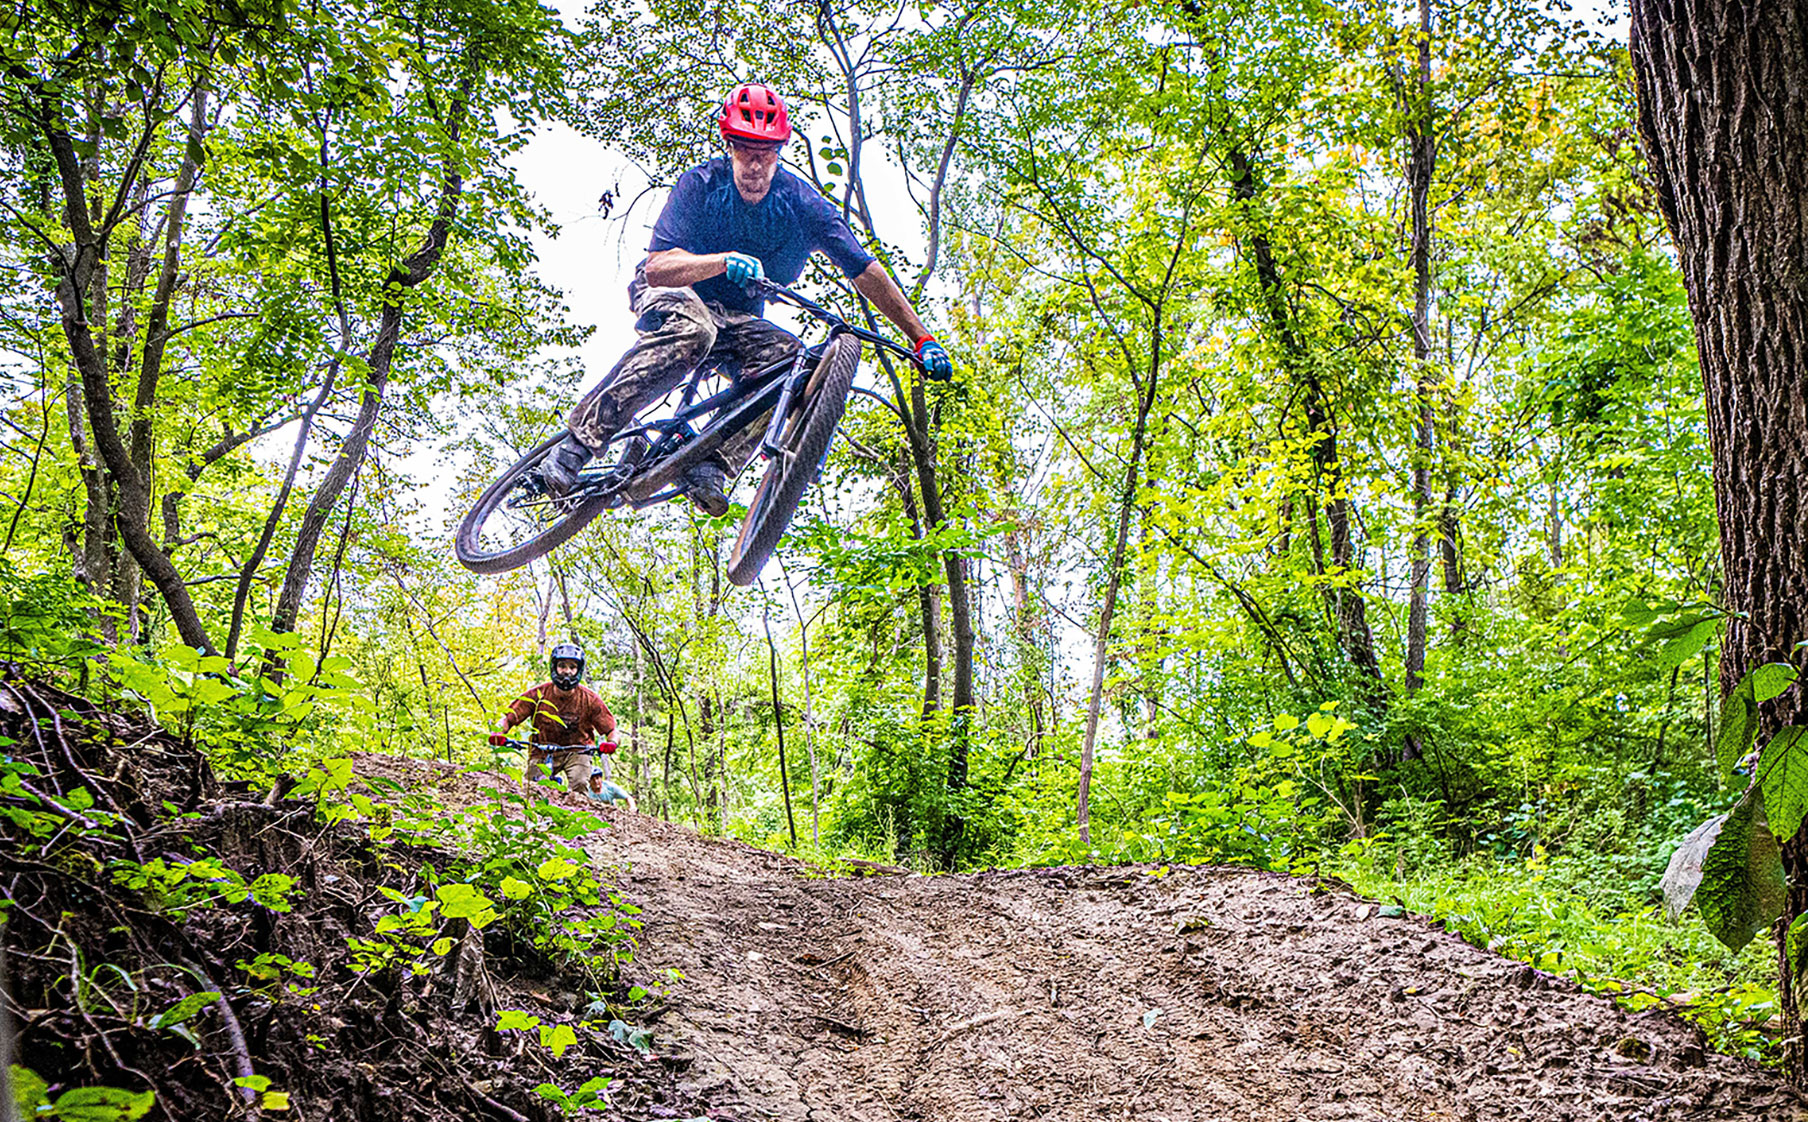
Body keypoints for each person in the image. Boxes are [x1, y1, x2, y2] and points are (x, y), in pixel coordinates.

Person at [541, 82, 955, 508]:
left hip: (735, 317)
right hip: (675, 292)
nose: (755, 166)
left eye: (766, 154)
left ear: (779, 152)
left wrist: (921, 337)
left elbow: (864, 270)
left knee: (790, 362)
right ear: (730, 147)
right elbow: (658, 267)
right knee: (695, 329)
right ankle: (578, 443)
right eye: (745, 152)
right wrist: (721, 261)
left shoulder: (801, 204)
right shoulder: (701, 185)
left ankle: (711, 463)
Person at [491, 642, 616, 792]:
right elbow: (508, 718)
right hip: (542, 750)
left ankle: (578, 806)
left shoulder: (590, 699)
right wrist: (498, 733)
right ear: (554, 667)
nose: (567, 671)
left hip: (578, 751)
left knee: (580, 783)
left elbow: (611, 730)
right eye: (562, 666)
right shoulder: (538, 695)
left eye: (572, 667)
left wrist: (611, 743)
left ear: (579, 670)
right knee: (531, 789)